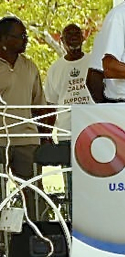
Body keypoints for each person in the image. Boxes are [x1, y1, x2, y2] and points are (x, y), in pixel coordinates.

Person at [0, 16, 51, 220]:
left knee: (34, 194)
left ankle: (39, 239)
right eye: (20, 36)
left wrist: (45, 135)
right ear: (3, 39)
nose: (26, 39)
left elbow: (40, 105)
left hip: (27, 140)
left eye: (25, 35)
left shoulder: (30, 66)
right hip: (0, 140)